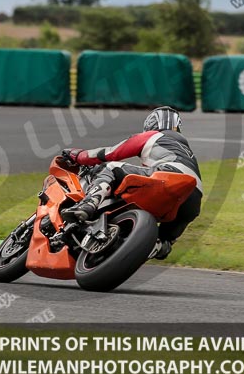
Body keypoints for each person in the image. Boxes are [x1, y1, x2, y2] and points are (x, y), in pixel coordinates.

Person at [60, 106, 203, 260]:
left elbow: (112, 153)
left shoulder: (154, 136)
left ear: (152, 123)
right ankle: (157, 246)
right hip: (194, 199)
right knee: (164, 240)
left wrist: (79, 156)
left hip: (169, 175)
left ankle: (88, 204)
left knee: (111, 167)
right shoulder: (185, 150)